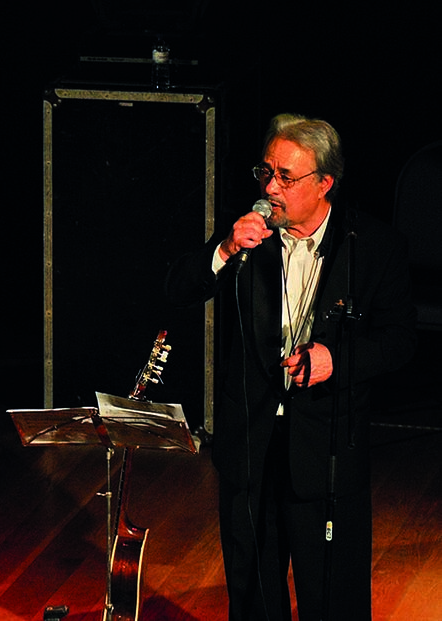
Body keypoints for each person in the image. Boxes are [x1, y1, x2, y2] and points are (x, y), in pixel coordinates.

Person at [165, 113, 416, 620]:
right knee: (253, 595)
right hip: (250, 444)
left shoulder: (371, 246)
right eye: (266, 172)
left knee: (333, 596)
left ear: (325, 183)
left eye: (286, 177)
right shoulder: (249, 239)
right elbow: (178, 288)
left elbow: (401, 342)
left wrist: (334, 360)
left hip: (324, 451)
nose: (270, 187)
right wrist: (225, 248)